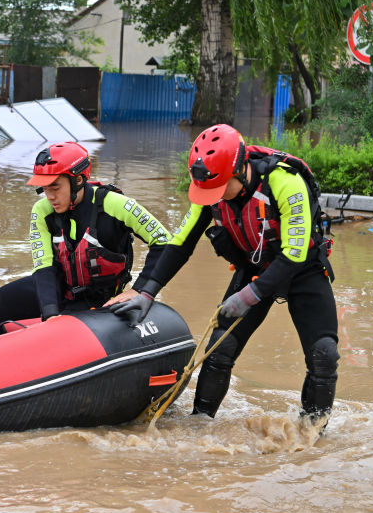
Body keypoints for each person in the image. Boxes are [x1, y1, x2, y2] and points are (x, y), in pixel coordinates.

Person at [114, 124, 338, 421]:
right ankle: (200, 423)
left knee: (324, 355)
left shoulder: (285, 182)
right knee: (220, 347)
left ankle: (312, 433)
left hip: (302, 269)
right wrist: (148, 290)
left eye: (218, 190)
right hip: (255, 268)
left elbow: (294, 255)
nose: (212, 197)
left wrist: (249, 295)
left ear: (240, 170)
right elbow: (181, 244)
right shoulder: (210, 189)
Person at [0, 141, 171, 337]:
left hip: (99, 298)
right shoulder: (42, 211)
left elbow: (164, 241)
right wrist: (50, 313)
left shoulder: (116, 205)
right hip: (58, 288)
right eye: (44, 188)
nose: (49, 196)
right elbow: (43, 266)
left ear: (78, 180)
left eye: (55, 187)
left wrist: (140, 289)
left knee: (59, 340)